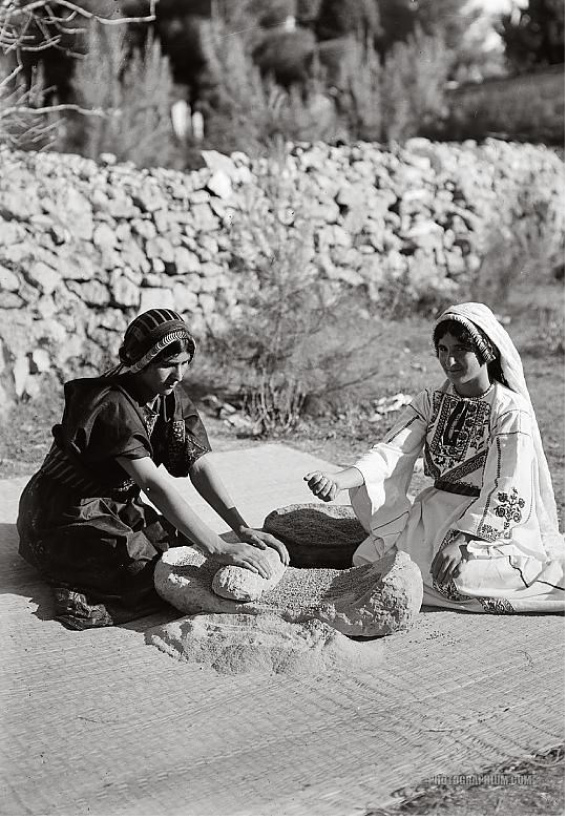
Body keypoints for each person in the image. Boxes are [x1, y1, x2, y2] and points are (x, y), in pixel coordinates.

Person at [18, 308, 288, 629]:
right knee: (144, 571)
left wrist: (240, 528)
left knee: (179, 550)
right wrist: (217, 546)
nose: (180, 375)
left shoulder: (167, 394)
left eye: (185, 363)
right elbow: (152, 484)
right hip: (66, 509)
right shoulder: (112, 404)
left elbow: (198, 465)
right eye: (168, 365)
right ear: (141, 362)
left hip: (116, 504)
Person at [305, 302, 565, 613]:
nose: (449, 360)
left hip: (487, 526)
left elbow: (508, 483)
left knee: (458, 576)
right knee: (373, 560)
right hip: (432, 515)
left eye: (460, 350)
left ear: (487, 351)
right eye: (442, 349)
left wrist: (464, 541)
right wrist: (338, 479)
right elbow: (391, 452)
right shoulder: (430, 402)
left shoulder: (509, 410)